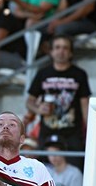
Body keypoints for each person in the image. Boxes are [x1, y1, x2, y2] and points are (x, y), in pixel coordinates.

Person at [26, 34, 91, 170]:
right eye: (57, 47)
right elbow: (29, 101)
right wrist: (38, 109)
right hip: (47, 133)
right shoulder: (43, 73)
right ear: (51, 51)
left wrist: (90, 132)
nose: (61, 51)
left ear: (71, 52)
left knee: (76, 171)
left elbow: (85, 105)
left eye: (65, 48)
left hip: (73, 133)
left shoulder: (79, 74)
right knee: (43, 174)